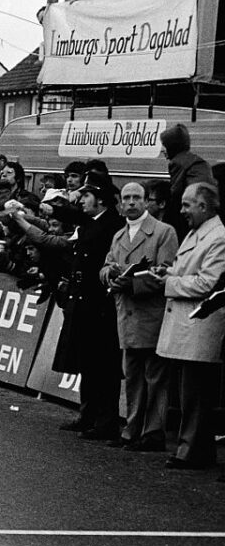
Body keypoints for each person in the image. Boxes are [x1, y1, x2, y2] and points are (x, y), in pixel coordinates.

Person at [99, 182, 180, 450]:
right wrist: (109, 274)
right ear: (121, 203)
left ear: (146, 202)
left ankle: (153, 433)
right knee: (132, 376)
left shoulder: (164, 232)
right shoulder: (119, 235)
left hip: (151, 315)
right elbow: (106, 265)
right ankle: (132, 429)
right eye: (126, 198)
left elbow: (166, 272)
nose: (131, 202)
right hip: (126, 314)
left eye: (137, 197)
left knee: (155, 377)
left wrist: (130, 283)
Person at [152, 182, 225, 469]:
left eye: (186, 205)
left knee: (195, 393)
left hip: (199, 325)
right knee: (190, 392)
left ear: (203, 206)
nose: (181, 210)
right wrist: (168, 271)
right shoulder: (200, 232)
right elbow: (191, 271)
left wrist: (169, 282)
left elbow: (207, 283)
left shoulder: (217, 237)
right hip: (189, 325)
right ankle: (195, 449)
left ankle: (190, 450)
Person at [51, 170, 127, 440]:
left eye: (86, 195)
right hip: (81, 300)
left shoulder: (113, 225)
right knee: (86, 360)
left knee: (103, 364)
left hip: (99, 303)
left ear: (101, 199)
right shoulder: (88, 222)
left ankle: (105, 421)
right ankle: (88, 414)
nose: (81, 200)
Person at [160, 123, 212, 240]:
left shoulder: (177, 162)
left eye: (164, 145)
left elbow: (176, 193)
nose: (162, 149)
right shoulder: (193, 159)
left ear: (172, 145)